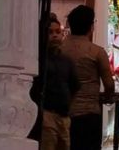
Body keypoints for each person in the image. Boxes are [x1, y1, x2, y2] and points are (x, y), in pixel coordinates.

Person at [62, 5, 115, 150]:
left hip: (62, 113)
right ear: (91, 27)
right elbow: (109, 84)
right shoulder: (97, 52)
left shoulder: (60, 49)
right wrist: (108, 97)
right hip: (89, 113)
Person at [40, 15, 80, 150]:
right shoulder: (40, 60)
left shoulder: (66, 61)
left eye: (58, 32)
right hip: (47, 115)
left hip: (63, 116)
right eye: (50, 32)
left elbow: (74, 86)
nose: (55, 36)